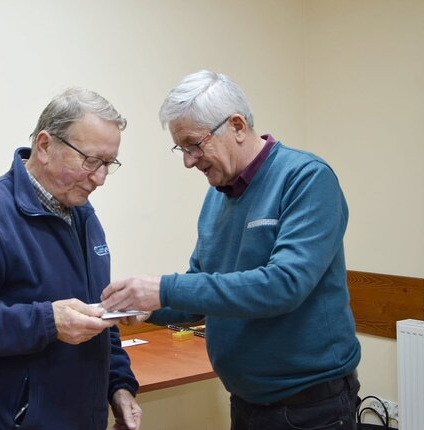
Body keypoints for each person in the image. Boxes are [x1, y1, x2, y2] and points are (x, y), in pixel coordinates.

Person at [100, 70, 361, 430]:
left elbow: (284, 284)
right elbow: (201, 289)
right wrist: (146, 306)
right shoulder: (217, 196)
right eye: (182, 149)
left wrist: (162, 289)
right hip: (247, 401)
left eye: (193, 144)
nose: (188, 161)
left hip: (309, 407)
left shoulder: (307, 178)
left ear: (237, 126)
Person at [0, 88, 141, 430]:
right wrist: (46, 322)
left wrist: (118, 385)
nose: (101, 178)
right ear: (45, 146)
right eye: (91, 161)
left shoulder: (83, 215)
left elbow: (97, 314)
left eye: (109, 164)